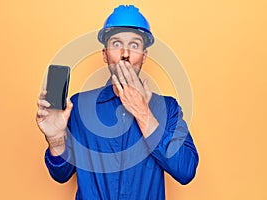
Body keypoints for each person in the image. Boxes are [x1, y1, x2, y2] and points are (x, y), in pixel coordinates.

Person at [36, 5, 199, 200]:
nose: (125, 54)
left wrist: (143, 113)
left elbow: (186, 171)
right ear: (105, 54)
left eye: (135, 45)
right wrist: (55, 138)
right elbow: (61, 175)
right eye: (116, 44)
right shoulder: (78, 107)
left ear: (144, 56)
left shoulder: (168, 108)